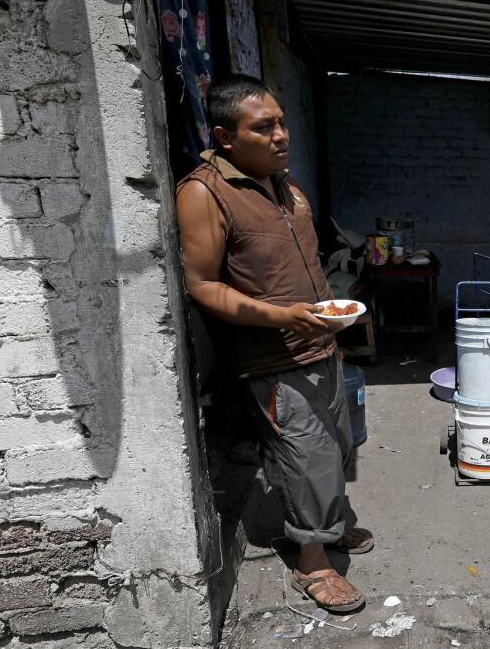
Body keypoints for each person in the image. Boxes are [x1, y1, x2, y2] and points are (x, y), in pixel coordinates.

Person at [176, 74, 370, 613]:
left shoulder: (285, 184)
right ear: (226, 136)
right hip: (273, 356)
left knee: (335, 446)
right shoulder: (204, 192)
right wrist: (281, 316)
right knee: (302, 454)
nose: (282, 135)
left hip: (320, 344)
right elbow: (202, 286)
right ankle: (313, 563)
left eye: (282, 123)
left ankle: (326, 527)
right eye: (265, 127)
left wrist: (332, 322)